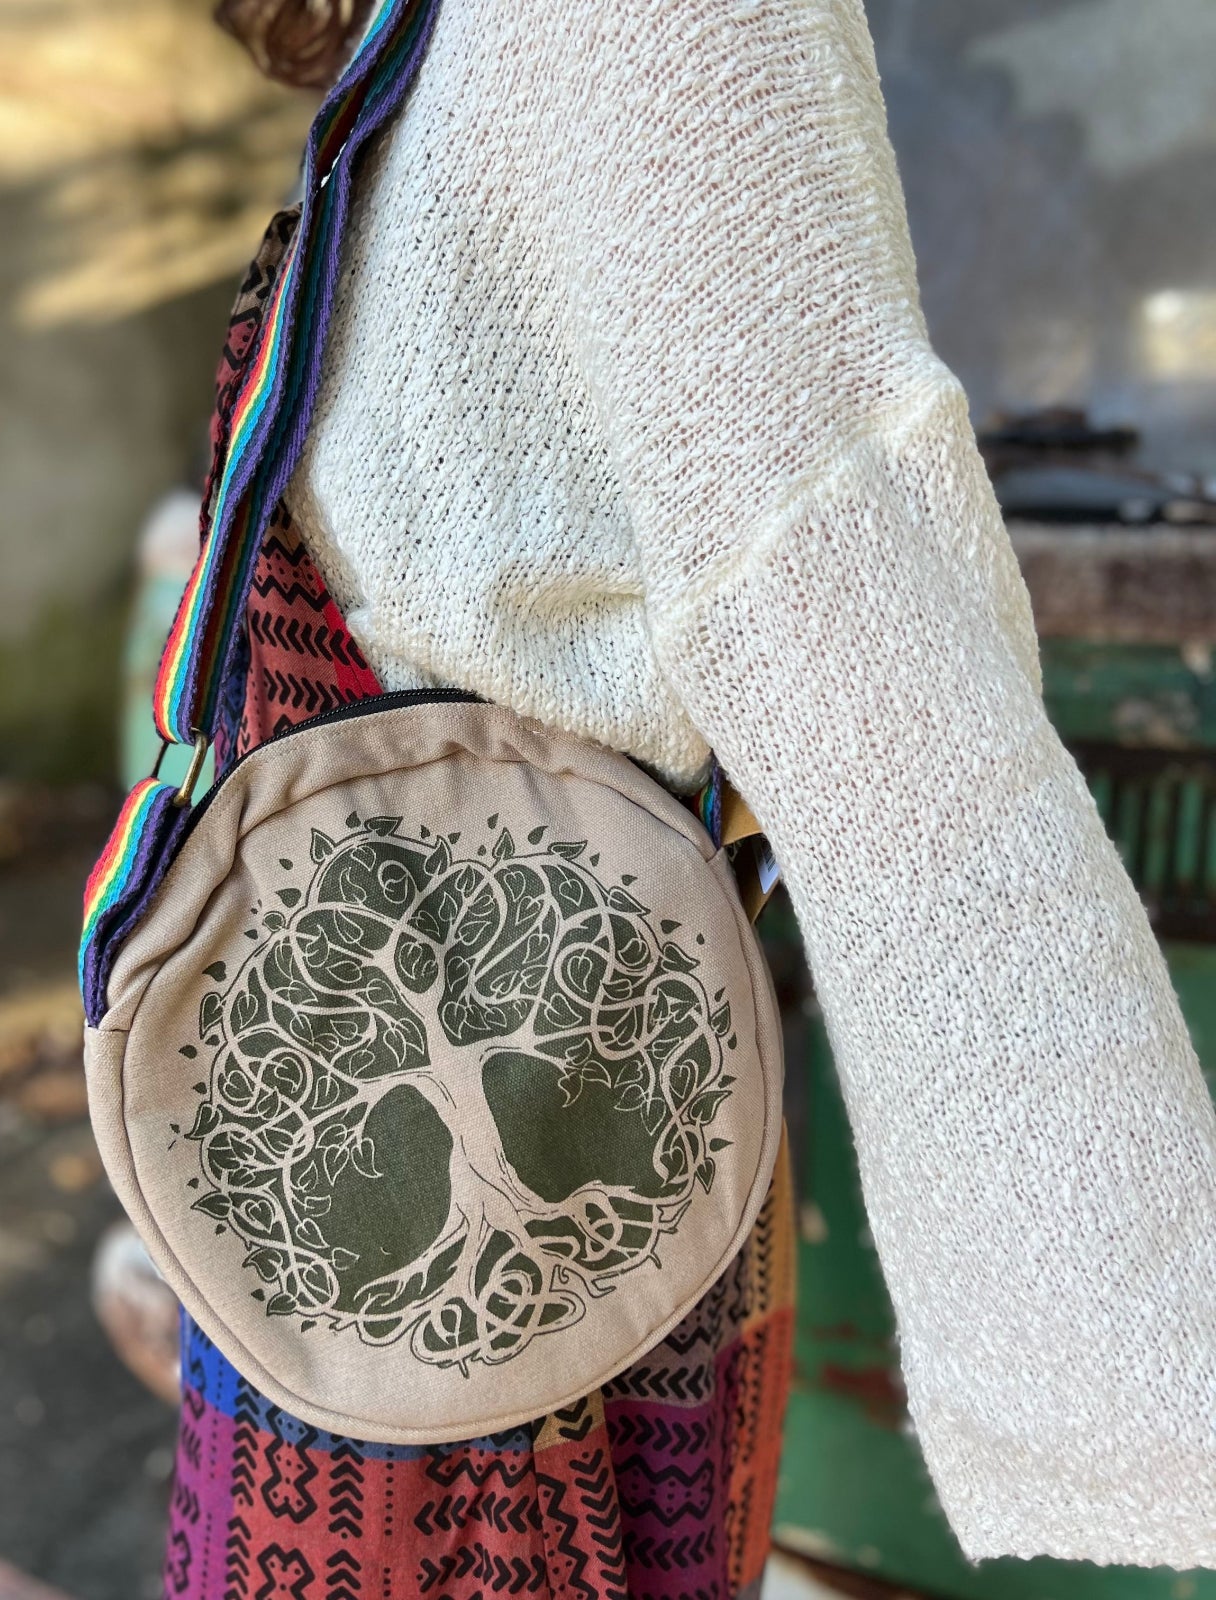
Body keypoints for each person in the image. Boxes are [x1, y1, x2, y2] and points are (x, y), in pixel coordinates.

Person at [151, 0, 1216, 1592]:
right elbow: (838, 597)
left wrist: (1140, 1385)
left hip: (531, 1169)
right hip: (457, 1194)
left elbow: (834, 600)